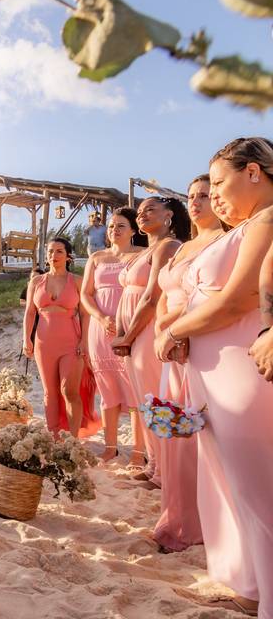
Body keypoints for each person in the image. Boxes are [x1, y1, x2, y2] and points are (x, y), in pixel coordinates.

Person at [155, 138, 273, 618]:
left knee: (256, 491)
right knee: (232, 486)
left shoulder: (266, 221)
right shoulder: (247, 225)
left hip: (240, 374)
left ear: (253, 172)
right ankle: (249, 586)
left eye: (220, 183)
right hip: (214, 374)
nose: (215, 194)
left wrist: (174, 330)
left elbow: (240, 300)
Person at [149, 175, 224, 553]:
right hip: (170, 346)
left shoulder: (222, 241)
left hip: (196, 344)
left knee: (199, 438)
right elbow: (165, 292)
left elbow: (205, 297)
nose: (196, 202)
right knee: (174, 434)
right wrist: (163, 326)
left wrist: (176, 330)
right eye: (192, 196)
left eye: (206, 196)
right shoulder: (183, 246)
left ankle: (195, 525)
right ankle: (176, 516)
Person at [111, 196, 190, 485]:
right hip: (133, 334)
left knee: (155, 400)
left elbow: (151, 297)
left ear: (169, 215)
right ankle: (155, 464)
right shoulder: (147, 250)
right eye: (140, 211)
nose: (142, 214)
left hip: (147, 330)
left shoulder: (169, 246)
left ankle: (164, 472)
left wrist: (128, 336)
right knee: (143, 401)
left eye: (150, 210)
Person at [80, 208, 145, 462]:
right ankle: (110, 448)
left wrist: (126, 322)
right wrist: (101, 317)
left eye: (120, 226)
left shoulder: (143, 255)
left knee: (134, 391)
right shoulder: (96, 258)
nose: (114, 231)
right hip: (100, 327)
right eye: (110, 226)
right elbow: (86, 294)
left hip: (130, 327)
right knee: (107, 390)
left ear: (132, 230)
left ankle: (139, 452)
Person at [23, 237, 99, 437]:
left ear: (68, 256)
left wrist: (84, 341)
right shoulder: (36, 281)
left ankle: (72, 438)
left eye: (59, 251)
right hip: (43, 342)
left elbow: (85, 313)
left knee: (69, 391)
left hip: (71, 342)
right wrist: (26, 339)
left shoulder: (77, 281)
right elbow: (30, 312)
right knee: (49, 392)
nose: (53, 256)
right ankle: (54, 436)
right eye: (50, 251)